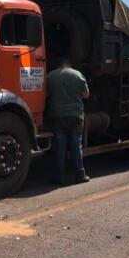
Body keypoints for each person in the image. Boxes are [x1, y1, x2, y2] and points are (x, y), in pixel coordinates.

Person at [46, 57, 90, 185]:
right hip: (75, 115)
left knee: (60, 147)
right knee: (76, 145)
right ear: (69, 64)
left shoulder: (51, 76)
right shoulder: (78, 75)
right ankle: (80, 175)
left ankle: (60, 177)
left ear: (59, 65)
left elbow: (46, 94)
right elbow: (86, 95)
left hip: (58, 116)